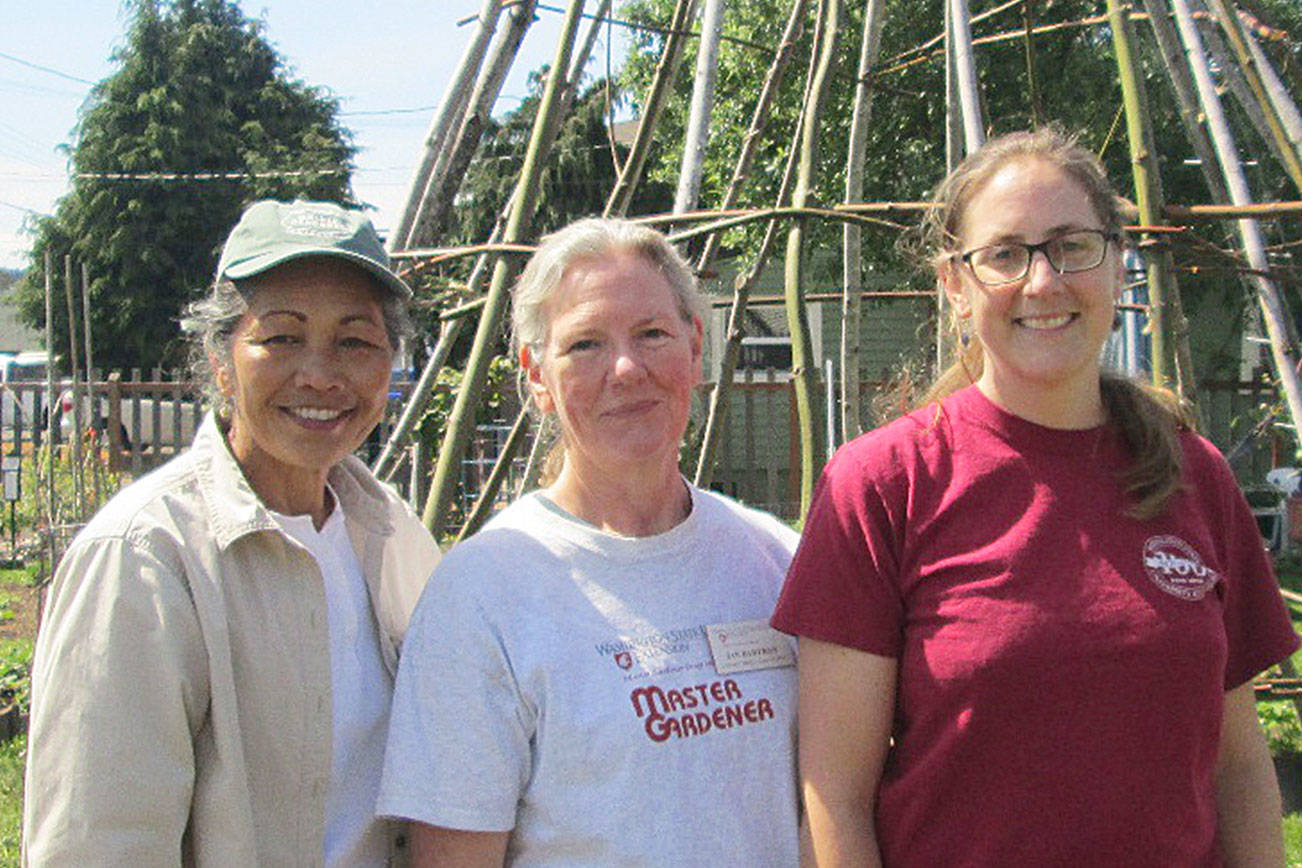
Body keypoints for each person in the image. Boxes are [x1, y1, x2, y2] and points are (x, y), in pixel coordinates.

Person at [772, 128, 1299, 866]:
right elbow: (834, 798)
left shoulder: (1193, 475)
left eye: (1072, 246)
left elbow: (1239, 770)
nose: (1044, 282)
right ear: (955, 287)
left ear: (1118, 264)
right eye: (1005, 255)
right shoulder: (885, 483)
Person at [23, 199, 441, 867]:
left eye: (355, 342)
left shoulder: (390, 534)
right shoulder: (144, 556)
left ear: (389, 362)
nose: (320, 375)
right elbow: (99, 843)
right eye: (282, 338)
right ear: (221, 362)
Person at [377, 217, 802, 866]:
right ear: (536, 376)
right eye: (585, 345)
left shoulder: (774, 562)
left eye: (652, 334)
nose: (626, 369)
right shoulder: (482, 596)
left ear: (695, 347)